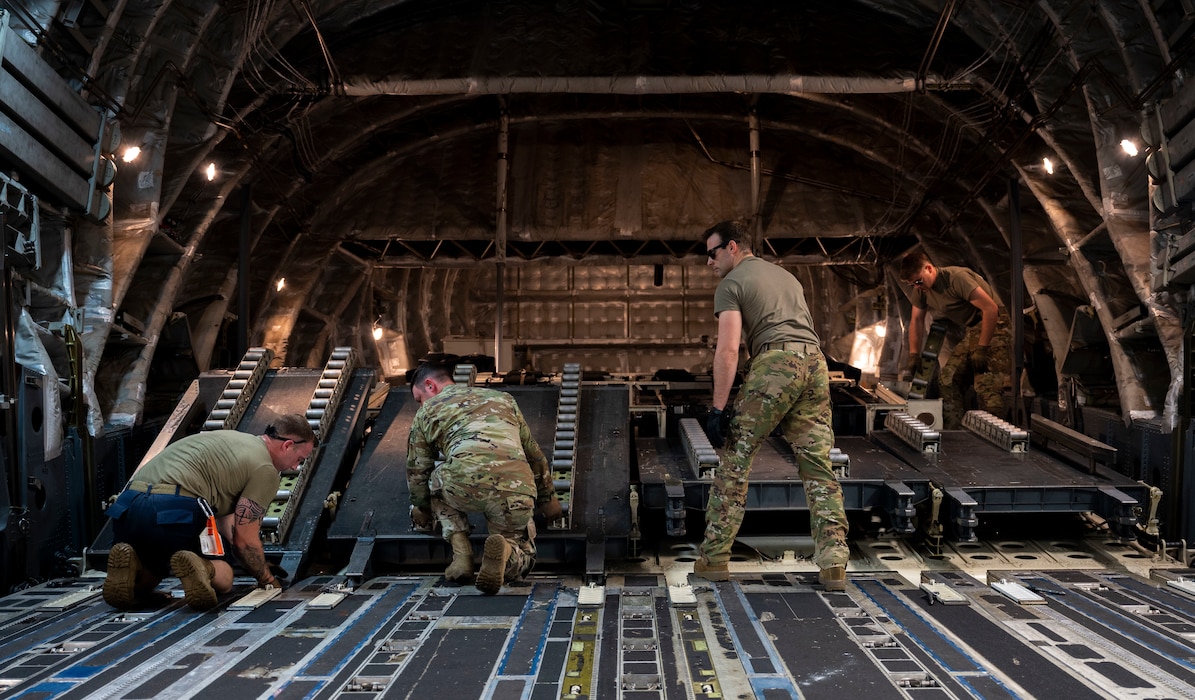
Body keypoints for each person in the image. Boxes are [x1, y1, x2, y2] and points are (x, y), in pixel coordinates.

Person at [696, 220, 851, 590]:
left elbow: (728, 350)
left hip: (775, 364)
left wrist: (718, 410)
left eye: (711, 253)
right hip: (815, 365)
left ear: (731, 247)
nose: (708, 263)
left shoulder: (731, 285)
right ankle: (833, 563)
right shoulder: (788, 278)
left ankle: (714, 559)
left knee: (736, 458)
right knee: (818, 466)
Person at [102, 414, 317, 611]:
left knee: (155, 568)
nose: (295, 469)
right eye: (299, 460)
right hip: (173, 507)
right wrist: (268, 581)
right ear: (288, 446)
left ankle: (133, 566)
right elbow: (245, 540)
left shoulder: (233, 440)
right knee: (224, 577)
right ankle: (203, 567)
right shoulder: (266, 470)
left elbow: (229, 529)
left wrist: (258, 563)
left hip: (127, 506)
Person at [406, 362, 562, 594]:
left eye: (419, 398)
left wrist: (420, 507)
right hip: (515, 484)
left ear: (430, 385)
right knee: (525, 556)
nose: (420, 404)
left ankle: (462, 556)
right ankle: (507, 553)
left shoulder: (427, 411)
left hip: (462, 483)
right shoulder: (504, 399)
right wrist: (549, 499)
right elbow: (535, 455)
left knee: (435, 479)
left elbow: (418, 469)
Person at [897, 251, 1012, 428]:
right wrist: (913, 354)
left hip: (995, 323)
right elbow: (916, 320)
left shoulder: (956, 278)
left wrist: (982, 348)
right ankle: (956, 431)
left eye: (918, 281)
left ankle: (995, 433)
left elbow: (990, 308)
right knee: (948, 379)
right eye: (912, 284)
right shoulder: (921, 289)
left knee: (986, 384)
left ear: (929, 268)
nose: (917, 286)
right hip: (973, 328)